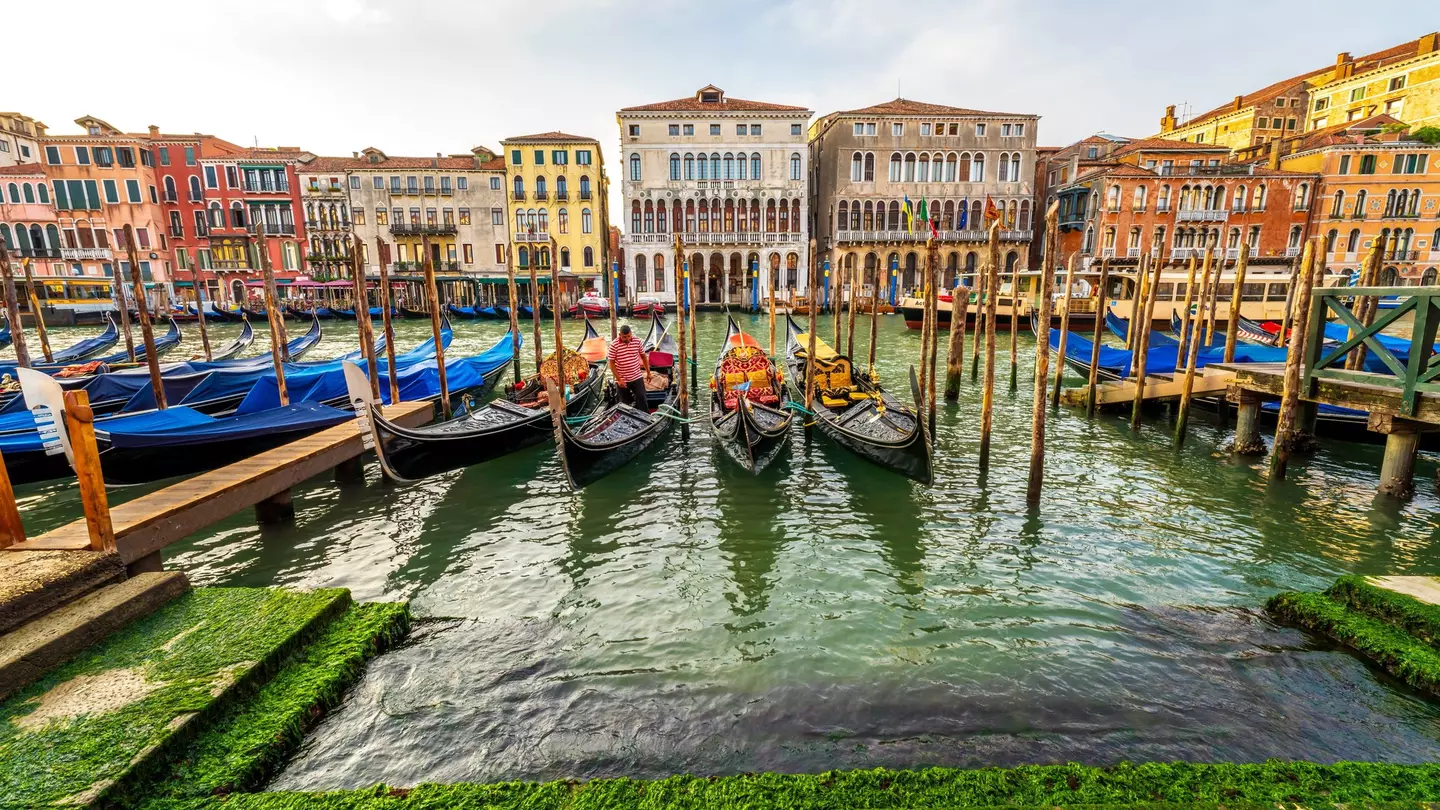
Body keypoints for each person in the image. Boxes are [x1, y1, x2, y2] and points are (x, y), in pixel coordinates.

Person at [607, 324, 651, 410]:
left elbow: (643, 357)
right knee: (624, 402)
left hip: (636, 376)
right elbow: (611, 364)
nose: (627, 339)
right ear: (620, 335)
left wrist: (648, 373)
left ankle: (646, 417)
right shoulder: (613, 345)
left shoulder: (637, 341)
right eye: (624, 337)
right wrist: (619, 379)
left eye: (629, 336)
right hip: (622, 379)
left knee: (642, 398)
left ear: (631, 333)